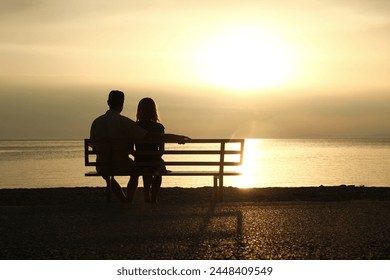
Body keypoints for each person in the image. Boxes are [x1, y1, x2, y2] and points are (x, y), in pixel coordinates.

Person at [90, 90, 189, 203]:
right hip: (123, 165)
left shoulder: (96, 122)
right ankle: (136, 199)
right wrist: (177, 137)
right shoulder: (125, 122)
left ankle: (126, 200)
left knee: (116, 173)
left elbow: (93, 146)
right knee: (137, 170)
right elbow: (150, 136)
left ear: (108, 102)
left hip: (102, 165)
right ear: (122, 104)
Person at [133, 98, 166, 203]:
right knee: (158, 169)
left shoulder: (135, 127)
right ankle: (154, 197)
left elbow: (130, 148)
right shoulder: (159, 127)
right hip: (155, 161)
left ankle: (147, 194)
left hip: (139, 162)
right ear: (154, 110)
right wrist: (156, 155)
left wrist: (138, 155)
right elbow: (162, 150)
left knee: (145, 167)